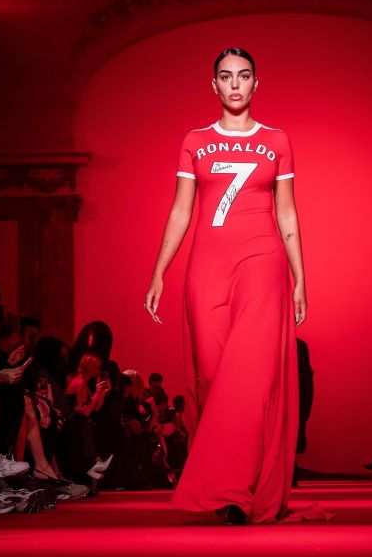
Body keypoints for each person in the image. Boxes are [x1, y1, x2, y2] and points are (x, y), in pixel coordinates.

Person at [144, 47, 334, 525]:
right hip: (207, 266)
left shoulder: (277, 140)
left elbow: (286, 211)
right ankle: (228, 481)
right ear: (214, 85)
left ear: (255, 84)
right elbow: (181, 209)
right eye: (226, 76)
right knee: (212, 377)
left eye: (243, 76)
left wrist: (300, 276)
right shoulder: (194, 140)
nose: (234, 84)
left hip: (264, 263)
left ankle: (238, 492)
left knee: (250, 378)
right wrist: (159, 269)